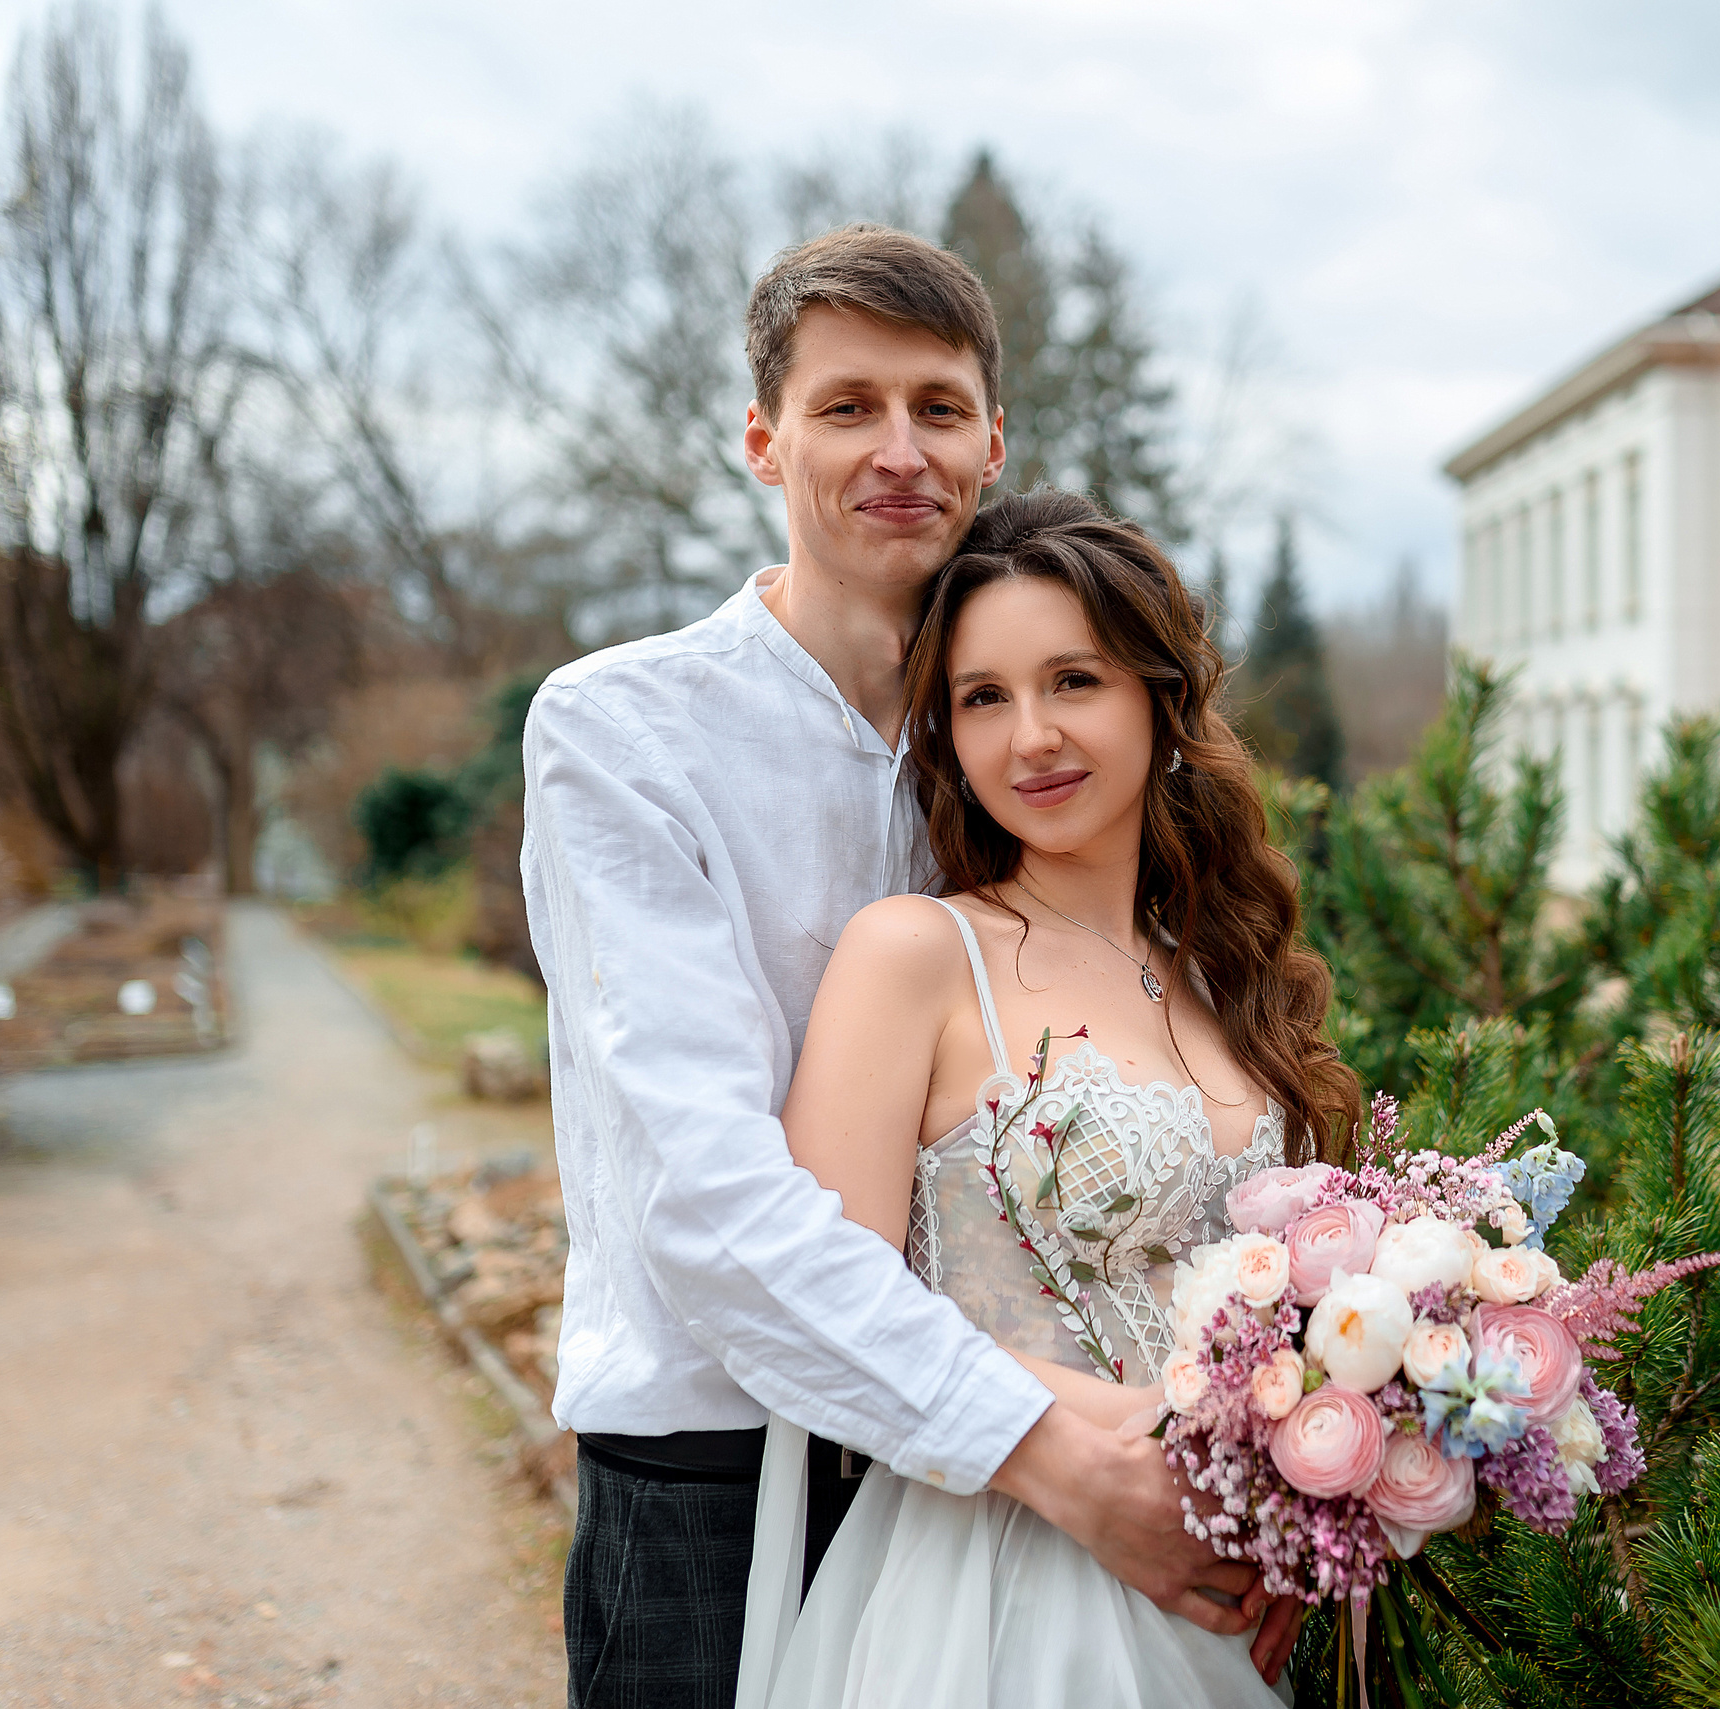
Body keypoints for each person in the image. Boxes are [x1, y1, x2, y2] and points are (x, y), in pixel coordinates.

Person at [522, 225, 1296, 1709]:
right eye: (846, 406)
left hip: (1037, 1500)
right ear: (764, 438)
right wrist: (1050, 1443)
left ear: (992, 443)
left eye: (938, 408)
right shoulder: (625, 735)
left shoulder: (1008, 763)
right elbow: (709, 1200)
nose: (901, 450)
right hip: (716, 1472)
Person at [734, 488, 1360, 1708]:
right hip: (999, 1576)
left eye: (1073, 680)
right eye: (984, 697)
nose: (1031, 737)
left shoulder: (1224, 974)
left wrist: (1304, 1466)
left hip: (1226, 1588)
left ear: (1159, 701)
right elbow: (827, 1303)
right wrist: (1182, 1439)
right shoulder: (914, 954)